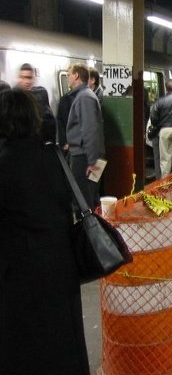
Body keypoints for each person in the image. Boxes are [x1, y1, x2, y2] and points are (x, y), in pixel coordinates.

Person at [0, 89, 90, 375]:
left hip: (20, 269)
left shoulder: (4, 161)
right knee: (64, 337)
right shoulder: (53, 156)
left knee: (26, 343)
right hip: (61, 261)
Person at [66, 63, 105, 210]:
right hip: (88, 155)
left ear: (76, 76)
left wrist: (92, 161)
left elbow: (90, 130)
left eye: (69, 74)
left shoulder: (84, 98)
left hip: (85, 158)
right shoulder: (86, 96)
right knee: (89, 198)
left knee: (84, 201)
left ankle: (89, 231)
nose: (68, 78)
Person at [150, 79, 172, 178]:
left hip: (164, 131)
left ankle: (165, 184)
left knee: (165, 158)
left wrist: (157, 125)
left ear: (166, 88)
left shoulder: (160, 101)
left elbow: (153, 117)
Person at [14, 63, 57, 143]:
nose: (27, 81)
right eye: (23, 77)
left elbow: (49, 123)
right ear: (18, 78)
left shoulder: (40, 96)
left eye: (29, 78)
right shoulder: (12, 98)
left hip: (37, 143)